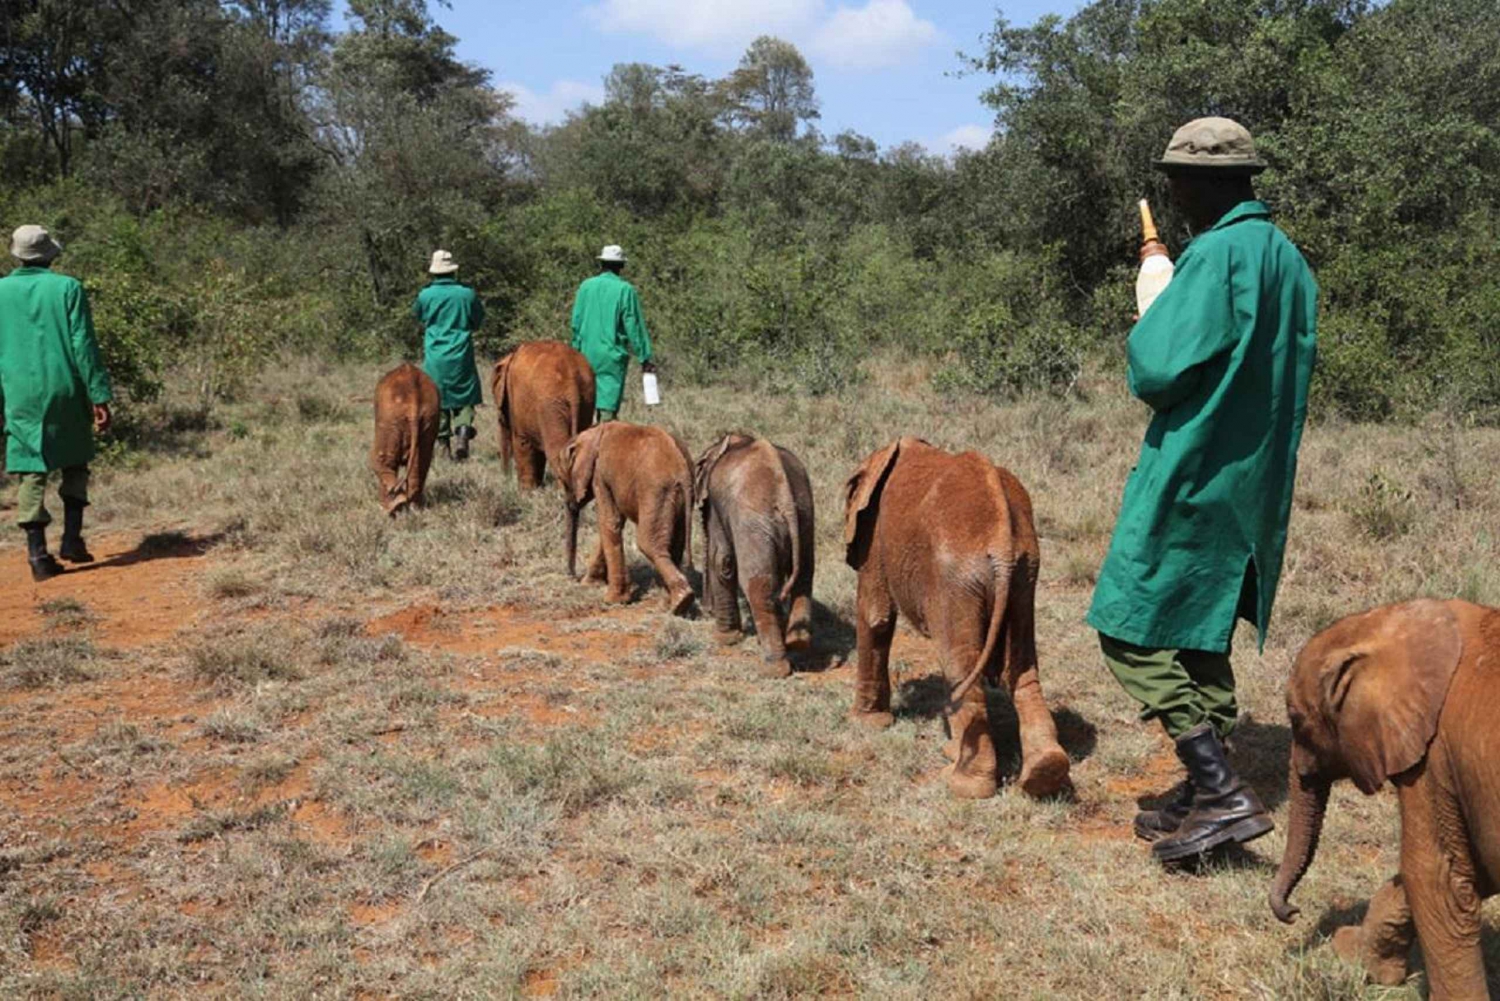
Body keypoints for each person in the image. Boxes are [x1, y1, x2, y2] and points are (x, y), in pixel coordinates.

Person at [1086, 117, 1318, 863]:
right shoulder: (1288, 259)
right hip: (1254, 481)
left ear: (1210, 181)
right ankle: (1199, 792)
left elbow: (1158, 371)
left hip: (1194, 465)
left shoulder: (1215, 254)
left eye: (1180, 180)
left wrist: (1154, 307)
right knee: (1201, 621)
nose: (1175, 195)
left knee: (1126, 620)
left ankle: (1220, 789)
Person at [0, 225, 113, 581]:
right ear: (50, 254)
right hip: (65, 386)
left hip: (18, 392)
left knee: (31, 468)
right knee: (76, 460)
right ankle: (72, 541)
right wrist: (99, 395)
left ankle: (37, 555)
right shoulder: (68, 287)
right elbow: (83, 344)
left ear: (17, 255)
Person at [570, 245, 655, 422]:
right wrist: (644, 357)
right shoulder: (625, 290)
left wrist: (574, 352)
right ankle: (605, 436)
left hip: (585, 354)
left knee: (585, 405)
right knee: (607, 410)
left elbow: (576, 323)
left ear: (601, 264)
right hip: (611, 357)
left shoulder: (585, 287)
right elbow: (634, 326)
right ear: (621, 266)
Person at [412, 249, 484, 459]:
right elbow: (477, 320)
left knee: (437, 397)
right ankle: (463, 431)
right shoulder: (467, 294)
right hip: (461, 353)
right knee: (465, 395)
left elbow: (418, 316)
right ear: (454, 271)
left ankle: (443, 445)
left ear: (434, 272)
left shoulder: (425, 295)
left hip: (435, 355)